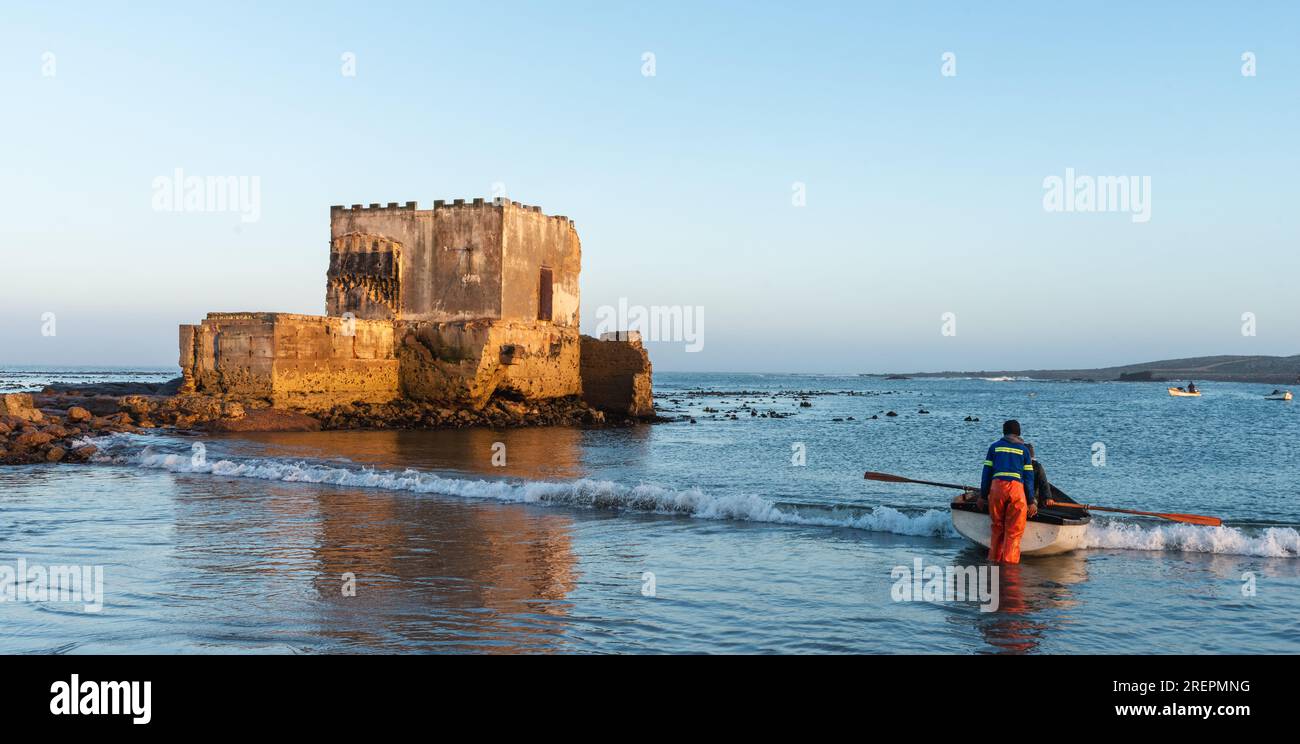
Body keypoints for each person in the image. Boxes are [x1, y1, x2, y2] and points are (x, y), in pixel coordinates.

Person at [978, 420, 1036, 564]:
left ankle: (993, 559)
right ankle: (1009, 565)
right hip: (1016, 490)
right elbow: (1029, 478)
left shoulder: (994, 448)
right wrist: (1031, 501)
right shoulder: (1024, 450)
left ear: (1004, 432)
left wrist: (982, 496)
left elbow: (986, 473)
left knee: (997, 527)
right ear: (1019, 433)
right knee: (1014, 532)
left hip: (997, 488)